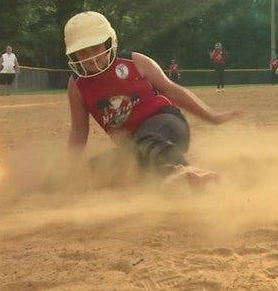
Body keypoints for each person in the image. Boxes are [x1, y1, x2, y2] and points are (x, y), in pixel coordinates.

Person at [64, 11, 240, 188]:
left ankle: (191, 175)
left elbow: (173, 91)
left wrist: (211, 117)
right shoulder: (77, 84)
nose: (90, 56)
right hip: (133, 146)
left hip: (166, 123)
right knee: (96, 168)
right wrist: (67, 169)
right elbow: (79, 131)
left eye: (95, 48)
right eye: (82, 52)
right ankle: (165, 174)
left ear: (108, 42)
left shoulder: (135, 61)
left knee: (147, 141)